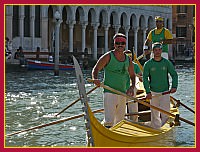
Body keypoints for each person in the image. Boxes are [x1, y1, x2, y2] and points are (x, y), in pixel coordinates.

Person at [92, 33, 136, 128]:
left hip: (122, 93)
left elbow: (132, 75)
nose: (120, 45)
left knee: (119, 121)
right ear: (114, 44)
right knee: (109, 120)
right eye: (117, 43)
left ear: (125, 44)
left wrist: (132, 87)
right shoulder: (108, 56)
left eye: (122, 43)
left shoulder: (128, 60)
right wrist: (95, 79)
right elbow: (96, 69)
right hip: (109, 92)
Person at [143, 42, 178, 129]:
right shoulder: (148, 64)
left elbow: (174, 74)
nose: (158, 52)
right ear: (153, 51)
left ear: (161, 51)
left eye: (159, 50)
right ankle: (156, 128)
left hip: (165, 92)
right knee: (154, 114)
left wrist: (174, 86)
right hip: (153, 93)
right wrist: (147, 92)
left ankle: (164, 127)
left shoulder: (166, 63)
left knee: (165, 113)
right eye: (156, 50)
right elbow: (145, 79)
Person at [124, 50, 143, 122]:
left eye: (130, 57)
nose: (129, 59)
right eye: (127, 57)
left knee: (132, 105)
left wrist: (140, 77)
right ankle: (123, 120)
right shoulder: (121, 64)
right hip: (122, 86)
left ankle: (134, 120)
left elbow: (141, 78)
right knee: (122, 104)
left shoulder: (135, 66)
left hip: (132, 86)